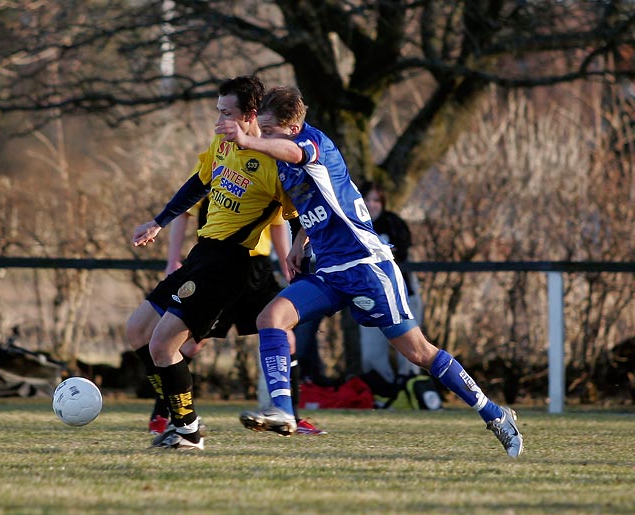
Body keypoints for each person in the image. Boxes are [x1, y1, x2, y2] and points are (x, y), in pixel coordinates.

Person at [215, 86, 524, 457]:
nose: (263, 136)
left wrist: (250, 140)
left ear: (293, 128)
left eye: (269, 129)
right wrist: (300, 243)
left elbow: (294, 153)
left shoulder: (313, 143)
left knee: (419, 353)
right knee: (271, 317)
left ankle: (495, 415)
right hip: (329, 270)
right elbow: (313, 205)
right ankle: (282, 411)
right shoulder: (281, 155)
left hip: (366, 266)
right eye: (259, 129)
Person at [127, 76, 297, 451]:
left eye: (226, 113)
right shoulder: (222, 143)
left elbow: (298, 215)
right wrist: (159, 221)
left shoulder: (275, 162)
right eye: (217, 111)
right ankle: (181, 418)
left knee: (162, 346)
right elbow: (199, 182)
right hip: (201, 254)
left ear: (250, 115)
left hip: (228, 264)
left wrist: (299, 254)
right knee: (137, 331)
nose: (218, 120)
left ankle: (187, 430)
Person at [145, 198, 326, 435]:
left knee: (285, 336)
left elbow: (278, 223)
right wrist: (173, 259)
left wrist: (285, 263)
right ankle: (163, 414)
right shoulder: (217, 167)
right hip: (220, 264)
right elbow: (185, 213)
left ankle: (291, 416)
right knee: (188, 346)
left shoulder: (273, 173)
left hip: (257, 270)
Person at [359, 181, 423, 387]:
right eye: (366, 199)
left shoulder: (393, 223)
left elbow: (403, 253)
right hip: (369, 297)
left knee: (412, 351)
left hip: (402, 294)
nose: (371, 204)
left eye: (376, 200)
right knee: (371, 354)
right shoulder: (352, 223)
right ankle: (383, 392)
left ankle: (411, 390)